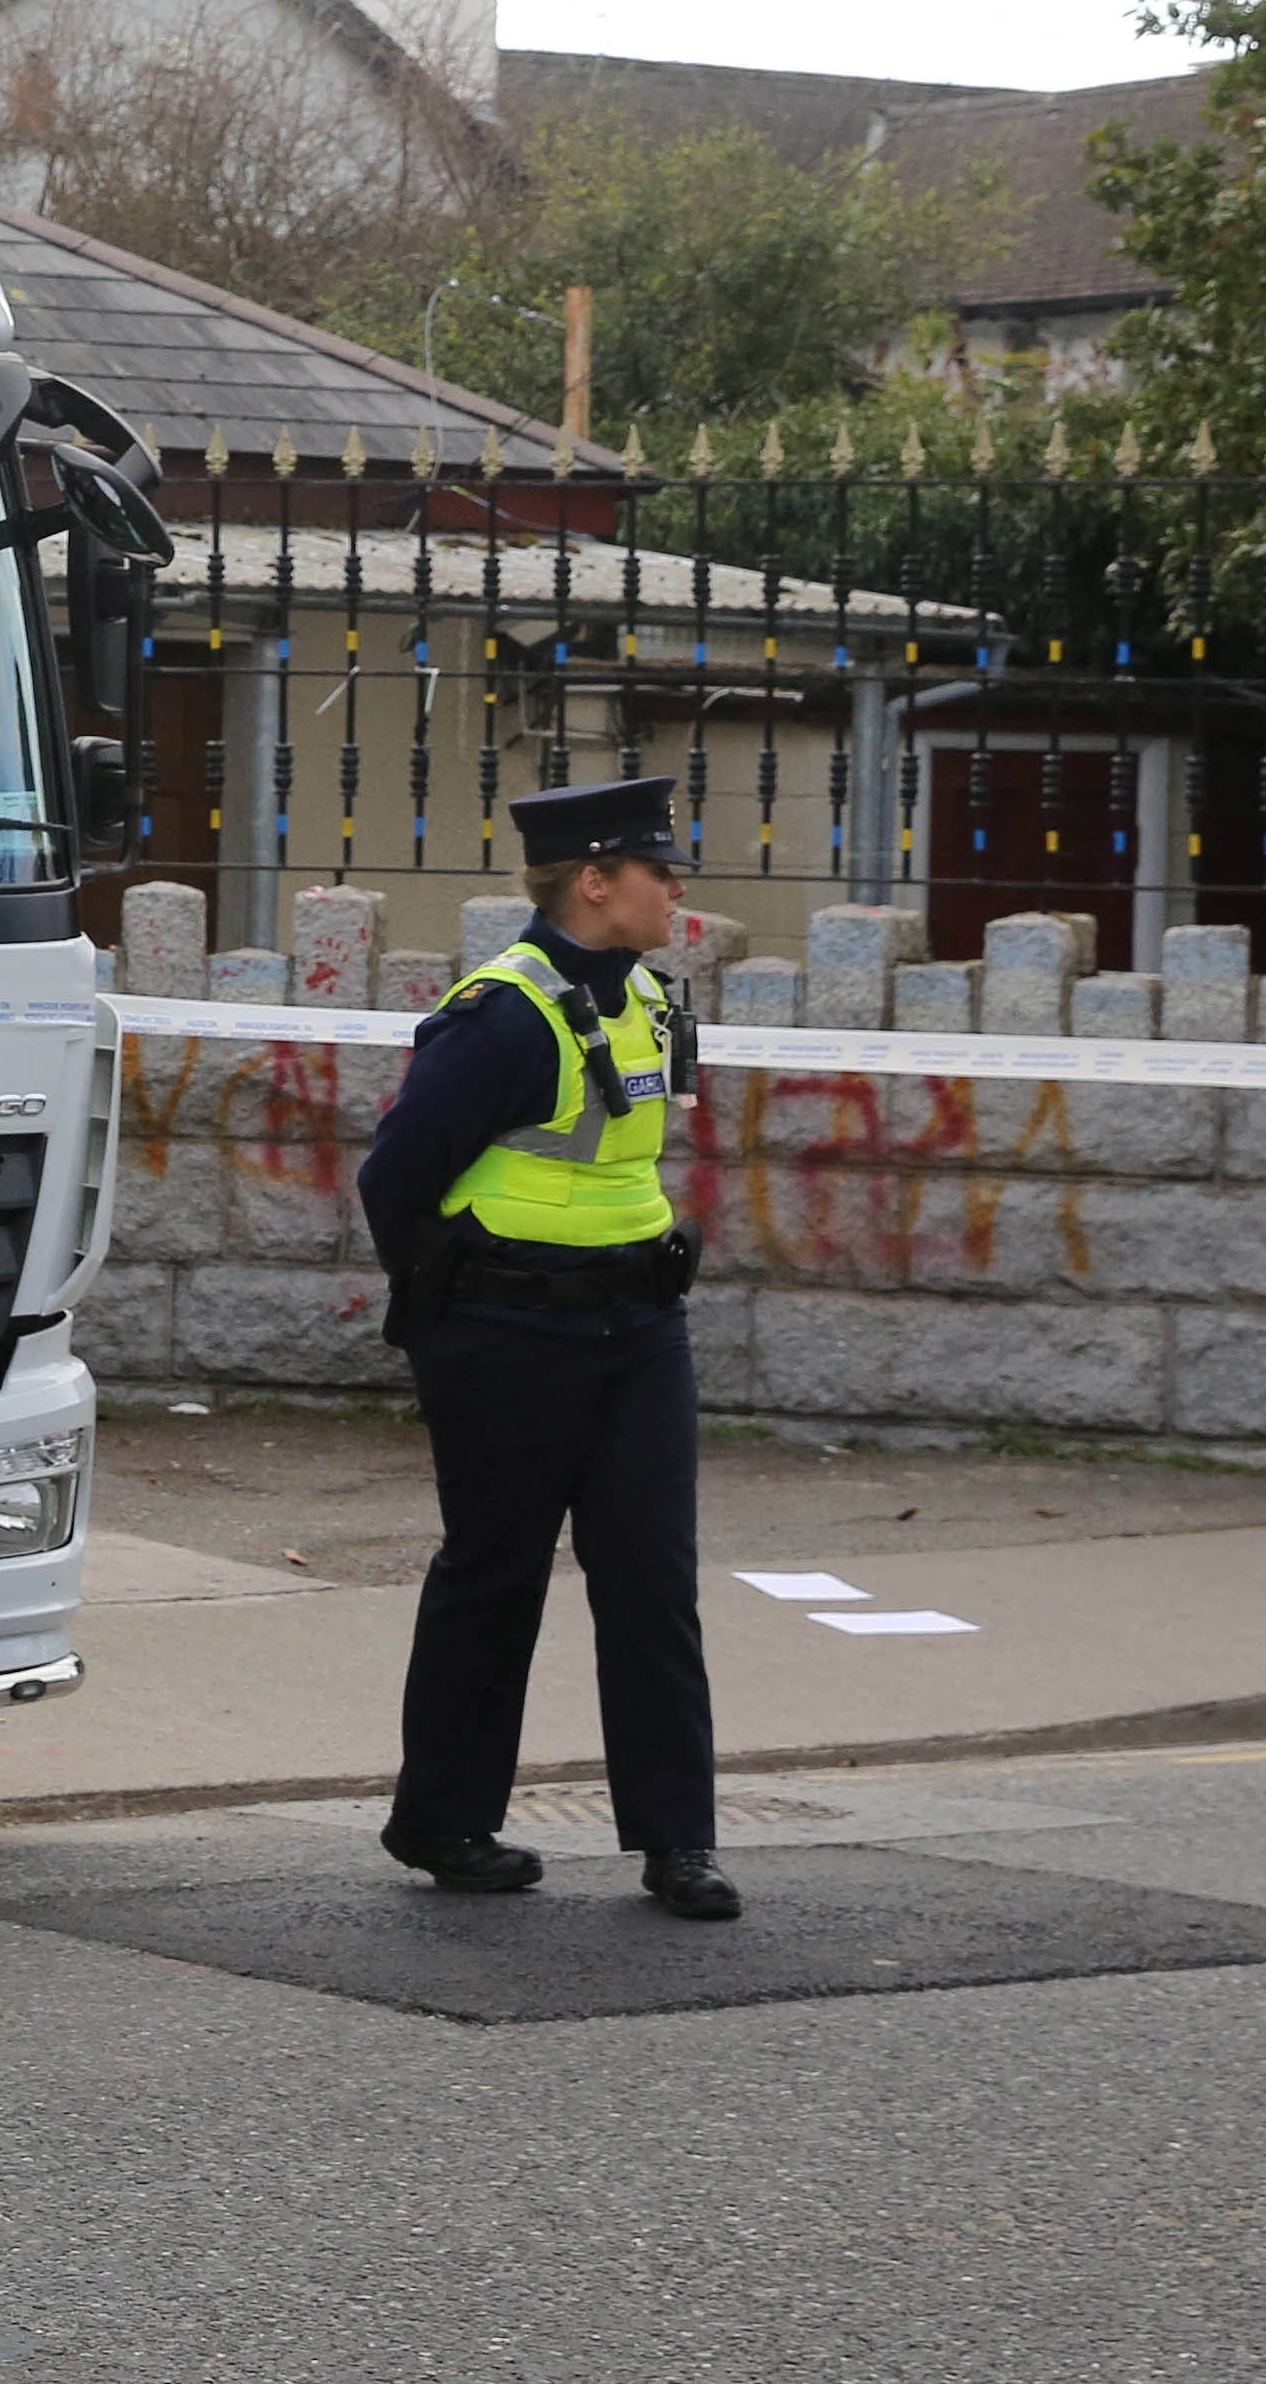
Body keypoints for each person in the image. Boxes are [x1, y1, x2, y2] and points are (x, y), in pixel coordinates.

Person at [352, 773, 740, 1924]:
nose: (676, 890)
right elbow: (394, 1179)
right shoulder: (504, 1012)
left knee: (651, 1583)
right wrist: (447, 1323)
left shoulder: (649, 1002)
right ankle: (441, 1821)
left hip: (636, 1328)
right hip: (506, 1331)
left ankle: (677, 1845)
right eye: (657, 871)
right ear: (591, 881)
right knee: (493, 1576)